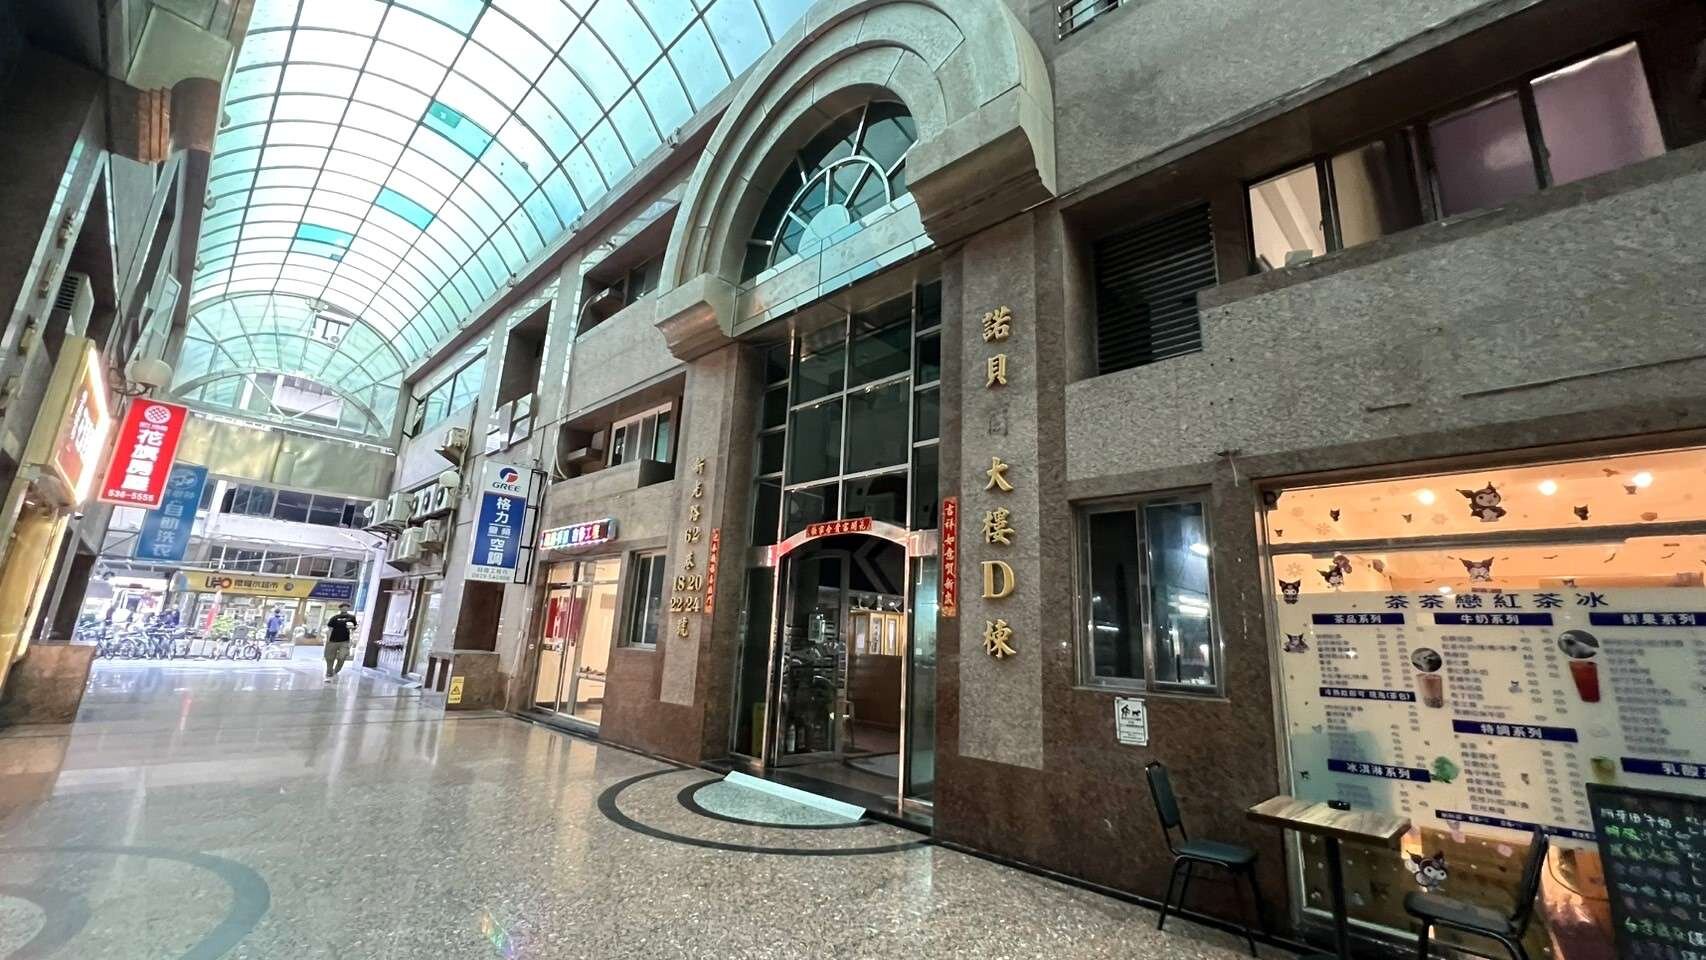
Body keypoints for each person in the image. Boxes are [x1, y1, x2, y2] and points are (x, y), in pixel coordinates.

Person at [323, 603, 359, 682]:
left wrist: (353, 627)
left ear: (348, 608)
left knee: (342, 656)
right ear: (340, 608)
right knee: (329, 657)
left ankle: (336, 670)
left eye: (346, 607)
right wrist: (328, 639)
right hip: (333, 640)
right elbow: (330, 628)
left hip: (345, 641)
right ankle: (329, 671)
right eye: (343, 607)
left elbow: (354, 627)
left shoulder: (351, 617)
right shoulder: (334, 617)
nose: (345, 608)